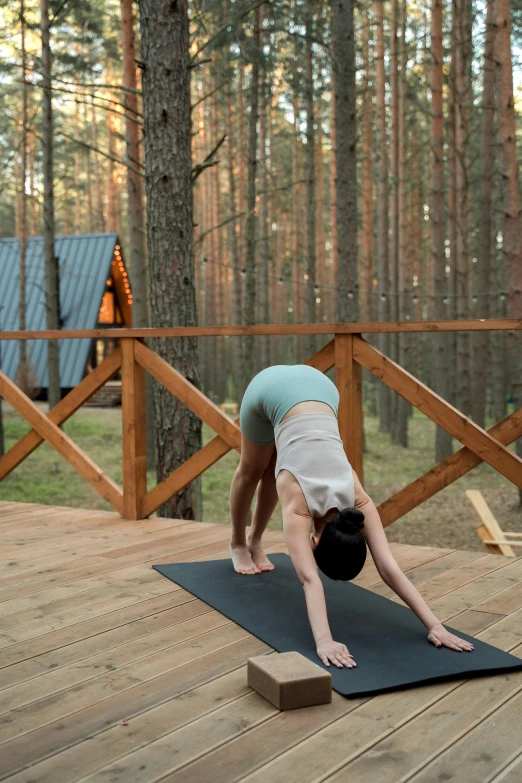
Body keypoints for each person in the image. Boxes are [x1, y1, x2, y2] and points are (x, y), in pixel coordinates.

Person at [229, 364, 475, 669]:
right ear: (314, 541)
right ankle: (240, 543)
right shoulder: (300, 506)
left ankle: (256, 540)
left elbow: (388, 568)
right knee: (253, 469)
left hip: (320, 385)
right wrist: (324, 641)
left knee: (273, 470)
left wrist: (435, 625)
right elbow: (309, 579)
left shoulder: (358, 503)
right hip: (270, 387)